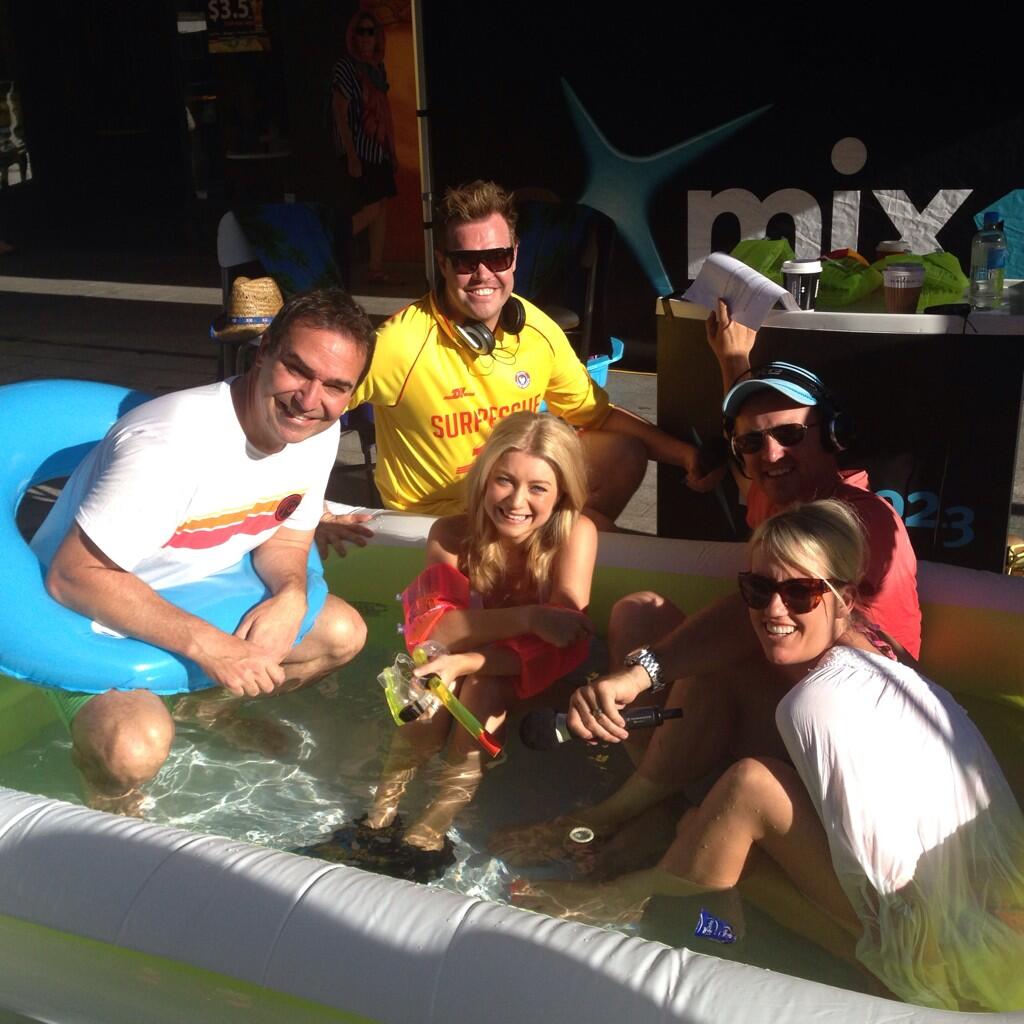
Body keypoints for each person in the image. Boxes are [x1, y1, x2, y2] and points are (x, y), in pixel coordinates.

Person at [511, 500, 1024, 1013]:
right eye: (758, 590)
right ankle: (680, 877)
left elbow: (888, 894)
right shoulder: (886, 666)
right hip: (1004, 948)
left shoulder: (817, 703)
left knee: (747, 790)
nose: (774, 610)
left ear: (844, 599)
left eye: (801, 593)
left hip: (942, 967)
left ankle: (626, 893)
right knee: (714, 832)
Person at [490, 306, 920, 869]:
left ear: (834, 436)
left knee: (715, 667)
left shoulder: (861, 523)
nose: (771, 454)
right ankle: (660, 803)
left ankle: (616, 813)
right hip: (781, 704)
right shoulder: (778, 494)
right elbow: (753, 465)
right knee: (638, 613)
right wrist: (733, 361)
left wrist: (642, 673)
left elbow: (755, 626)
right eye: (752, 443)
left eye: (790, 435)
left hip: (848, 732)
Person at [33, 290, 376, 813]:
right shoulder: (171, 444)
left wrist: (290, 594)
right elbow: (71, 576)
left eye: (335, 386)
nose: (310, 399)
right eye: (297, 370)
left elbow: (286, 534)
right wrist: (211, 646)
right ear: (264, 351)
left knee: (342, 635)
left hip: (191, 599)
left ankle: (202, 711)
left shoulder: (316, 432)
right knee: (132, 749)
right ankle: (104, 791)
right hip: (84, 619)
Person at [341, 180, 719, 529]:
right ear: (443, 263)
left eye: (497, 257)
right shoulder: (398, 342)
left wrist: (685, 454)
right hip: (439, 525)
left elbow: (598, 414)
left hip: (513, 504)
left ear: (515, 255)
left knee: (623, 454)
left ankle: (555, 554)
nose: (484, 274)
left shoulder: (537, 330)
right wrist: (317, 512)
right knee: (599, 542)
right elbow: (315, 409)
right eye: (466, 261)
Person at [362, 411, 597, 858]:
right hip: (462, 668)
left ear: (562, 492)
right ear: (484, 477)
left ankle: (434, 823)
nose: (516, 501)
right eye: (504, 480)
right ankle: (380, 813)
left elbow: (564, 642)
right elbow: (434, 630)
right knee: (429, 690)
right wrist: (530, 617)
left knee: (481, 688)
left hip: (533, 681)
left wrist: (466, 661)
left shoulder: (574, 535)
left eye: (538, 488)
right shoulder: (452, 534)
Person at [331, 9, 397, 284]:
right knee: (371, 209)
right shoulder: (346, 68)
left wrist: (391, 150)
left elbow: (384, 111)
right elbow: (339, 112)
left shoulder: (377, 67)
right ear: (353, 36)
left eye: (371, 32)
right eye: (361, 31)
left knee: (381, 208)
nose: (366, 37)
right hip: (360, 148)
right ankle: (331, 246)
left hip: (379, 149)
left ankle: (375, 268)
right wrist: (351, 155)